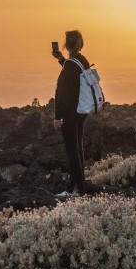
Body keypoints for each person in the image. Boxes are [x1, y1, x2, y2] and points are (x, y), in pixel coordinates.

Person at [51, 30, 92, 198]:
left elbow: (62, 94)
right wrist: (61, 60)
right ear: (80, 44)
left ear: (66, 45)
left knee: (72, 151)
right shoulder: (82, 61)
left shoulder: (70, 65)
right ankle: (77, 188)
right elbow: (74, 76)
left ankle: (76, 190)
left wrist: (57, 117)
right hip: (81, 111)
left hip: (69, 113)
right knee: (78, 149)